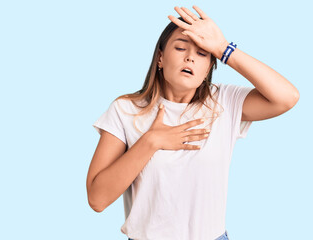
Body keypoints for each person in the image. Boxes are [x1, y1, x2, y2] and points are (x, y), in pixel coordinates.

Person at [86, 5, 299, 240]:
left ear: (209, 67)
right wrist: (152, 140)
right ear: (160, 57)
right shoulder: (126, 109)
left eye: (202, 53)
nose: (189, 57)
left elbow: (287, 98)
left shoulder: (224, 102)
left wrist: (222, 48)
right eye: (180, 47)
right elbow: (97, 199)